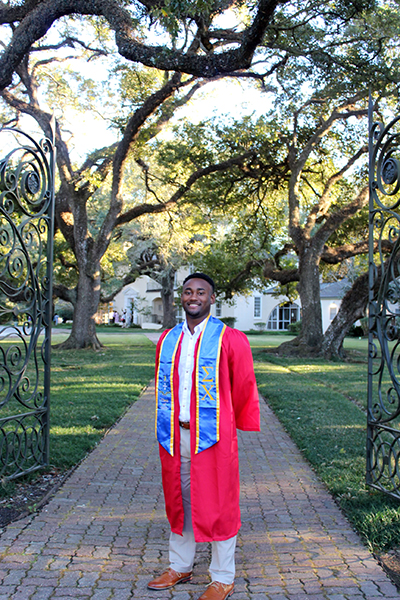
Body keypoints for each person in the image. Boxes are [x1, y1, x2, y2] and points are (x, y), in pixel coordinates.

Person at [148, 273, 260, 600]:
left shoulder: (230, 338)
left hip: (213, 439)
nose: (193, 297)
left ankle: (223, 577)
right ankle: (180, 566)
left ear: (212, 299)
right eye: (188, 292)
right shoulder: (168, 340)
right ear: (181, 297)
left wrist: (240, 424)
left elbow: (244, 384)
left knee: (220, 503)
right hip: (173, 436)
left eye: (201, 292)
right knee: (179, 501)